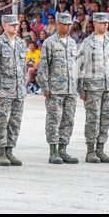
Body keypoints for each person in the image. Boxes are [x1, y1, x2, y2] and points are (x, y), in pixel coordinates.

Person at [0, 15, 27, 167]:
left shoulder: (22, 44)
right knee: (2, 121)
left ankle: (10, 150)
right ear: (4, 26)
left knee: (15, 122)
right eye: (11, 24)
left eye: (16, 24)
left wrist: (23, 87)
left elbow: (23, 68)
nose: (15, 27)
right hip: (3, 90)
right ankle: (1, 152)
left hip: (18, 90)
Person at [37, 14, 79, 164]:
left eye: (70, 25)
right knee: (54, 120)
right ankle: (53, 150)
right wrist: (45, 87)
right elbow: (43, 66)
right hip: (55, 88)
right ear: (58, 24)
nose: (69, 28)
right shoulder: (50, 42)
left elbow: (75, 66)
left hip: (70, 89)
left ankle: (63, 149)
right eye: (66, 25)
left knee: (68, 119)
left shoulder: (73, 43)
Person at [77, 12, 109, 163]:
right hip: (92, 87)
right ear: (94, 24)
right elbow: (79, 66)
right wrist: (81, 89)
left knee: (106, 118)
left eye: (106, 22)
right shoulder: (87, 43)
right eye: (101, 22)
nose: (105, 24)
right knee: (93, 119)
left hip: (108, 86)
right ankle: (90, 150)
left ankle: (100, 149)